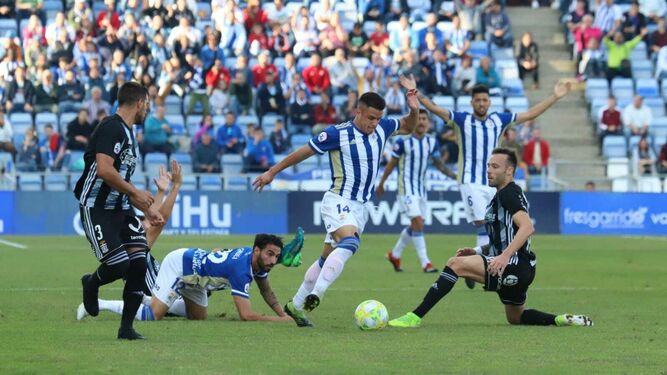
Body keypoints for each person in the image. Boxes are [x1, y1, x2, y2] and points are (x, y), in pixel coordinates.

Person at [252, 82, 420, 327]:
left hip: (360, 208)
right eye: (370, 118)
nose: (374, 123)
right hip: (338, 199)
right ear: (358, 113)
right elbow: (303, 152)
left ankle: (295, 306)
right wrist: (272, 172)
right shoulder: (337, 133)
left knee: (326, 258)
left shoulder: (383, 128)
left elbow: (408, 125)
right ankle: (316, 294)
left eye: (378, 118)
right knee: (350, 242)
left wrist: (414, 109)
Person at [388, 148, 594, 329]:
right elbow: (505, 237)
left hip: (511, 264)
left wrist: (503, 257)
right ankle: (560, 319)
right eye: (488, 166)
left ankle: (414, 317)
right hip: (523, 267)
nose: (489, 170)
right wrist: (477, 251)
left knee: (454, 264)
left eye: (495, 166)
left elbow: (527, 227)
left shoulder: (508, 194)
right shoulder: (505, 195)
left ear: (509, 170)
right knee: (516, 317)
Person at [414, 80, 571, 289]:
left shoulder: (499, 120)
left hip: (494, 182)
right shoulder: (461, 120)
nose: (481, 103)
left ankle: (474, 265)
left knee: (493, 226)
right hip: (470, 181)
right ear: (471, 102)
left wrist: (556, 96)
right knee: (481, 222)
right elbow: (434, 108)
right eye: (477, 100)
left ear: (489, 102)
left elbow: (530, 114)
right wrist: (415, 92)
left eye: (484, 100)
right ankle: (479, 268)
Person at [73, 81, 164, 340]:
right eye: (147, 104)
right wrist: (136, 193)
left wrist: (144, 207)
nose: (147, 109)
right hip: (97, 208)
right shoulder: (111, 127)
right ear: (139, 103)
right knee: (119, 263)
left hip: (122, 209)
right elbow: (104, 169)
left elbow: (120, 179)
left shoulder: (128, 132)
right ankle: (91, 283)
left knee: (138, 264)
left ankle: (126, 329)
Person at [376, 109, 456, 273]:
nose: (421, 122)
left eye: (424, 119)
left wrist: (455, 176)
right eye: (418, 119)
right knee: (418, 222)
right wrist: (382, 182)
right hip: (406, 189)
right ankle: (426, 263)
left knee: (416, 225)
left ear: (429, 122)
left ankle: (395, 254)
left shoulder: (432, 142)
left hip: (421, 190)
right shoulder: (403, 142)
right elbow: (391, 164)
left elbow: (439, 164)